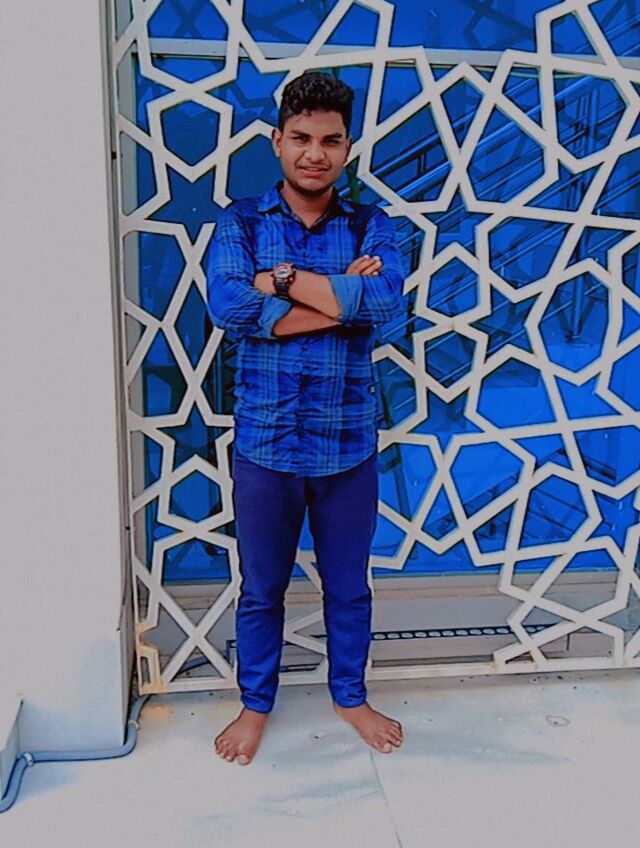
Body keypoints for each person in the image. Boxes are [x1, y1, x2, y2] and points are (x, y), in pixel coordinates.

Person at [206, 71, 406, 765]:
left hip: (348, 444)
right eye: (300, 138)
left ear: (347, 146)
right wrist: (341, 298)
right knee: (262, 589)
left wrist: (282, 282)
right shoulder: (240, 222)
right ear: (277, 141)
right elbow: (229, 307)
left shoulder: (373, 224)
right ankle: (255, 704)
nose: (314, 153)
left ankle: (350, 695)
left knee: (348, 588)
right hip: (265, 442)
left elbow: (387, 306)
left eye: (330, 140)